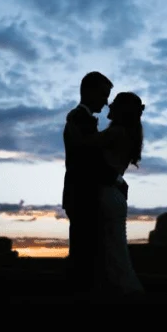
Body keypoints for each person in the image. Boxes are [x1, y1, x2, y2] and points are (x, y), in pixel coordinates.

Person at [67, 91, 146, 298]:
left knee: (111, 250)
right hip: (115, 195)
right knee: (115, 248)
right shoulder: (127, 134)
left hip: (106, 195)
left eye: (114, 103)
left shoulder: (116, 132)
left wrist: (72, 121)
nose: (109, 106)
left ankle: (126, 292)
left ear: (122, 110)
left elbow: (83, 146)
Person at [61, 71, 121, 298]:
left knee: (84, 253)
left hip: (80, 195)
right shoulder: (79, 120)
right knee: (83, 255)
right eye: (104, 95)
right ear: (89, 91)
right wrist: (116, 179)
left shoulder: (80, 119)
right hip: (83, 195)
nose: (106, 103)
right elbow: (89, 161)